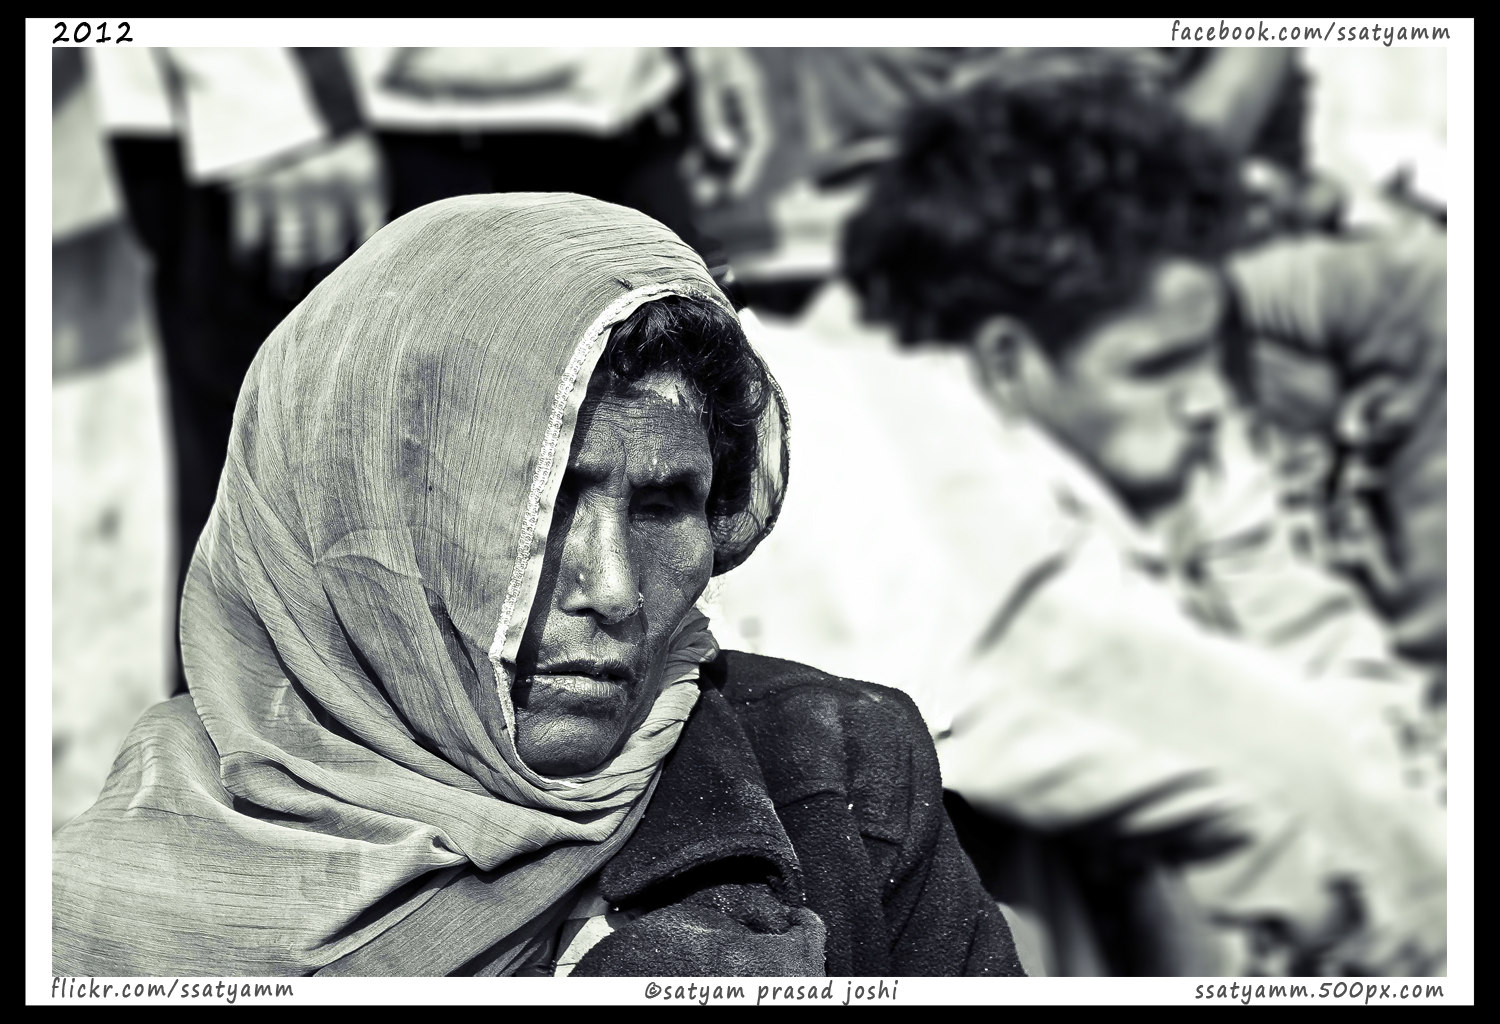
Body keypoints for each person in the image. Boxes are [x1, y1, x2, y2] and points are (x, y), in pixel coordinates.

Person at [51, 193, 1024, 979]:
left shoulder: (834, 773)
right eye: (539, 508)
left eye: (664, 504)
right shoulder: (94, 913)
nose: (612, 588)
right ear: (359, 519)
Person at [710, 68, 1444, 976]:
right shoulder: (897, 442)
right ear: (1009, 361)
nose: (1209, 402)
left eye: (1207, 359)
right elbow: (1074, 687)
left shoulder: (1163, 427)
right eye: (1160, 367)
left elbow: (1318, 644)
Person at [92, 47, 771, 697]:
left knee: (647, 499)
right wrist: (270, 102)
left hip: (605, 111)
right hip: (339, 132)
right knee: (305, 591)